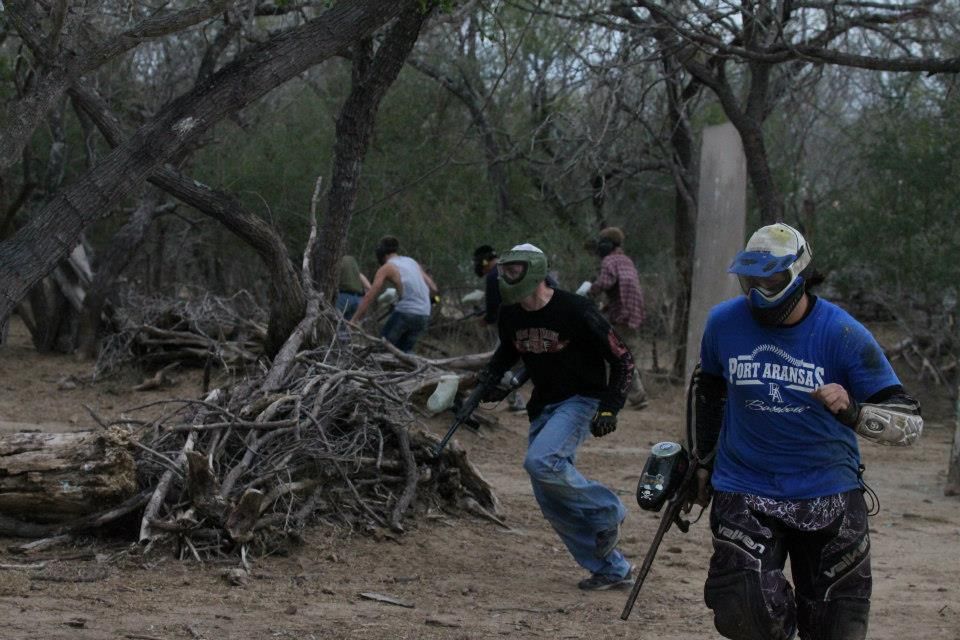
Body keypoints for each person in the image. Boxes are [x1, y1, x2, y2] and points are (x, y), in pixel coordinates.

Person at [691, 222, 923, 640]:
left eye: (772, 279)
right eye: (752, 279)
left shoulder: (842, 333)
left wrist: (854, 412)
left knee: (837, 625)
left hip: (828, 493)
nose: (760, 291)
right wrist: (701, 461)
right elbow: (708, 390)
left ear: (799, 276)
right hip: (745, 486)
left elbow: (909, 423)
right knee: (744, 611)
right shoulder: (723, 323)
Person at [478, 243, 637, 591]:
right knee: (552, 501)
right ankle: (612, 568)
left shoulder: (576, 310)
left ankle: (607, 510)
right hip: (543, 406)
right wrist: (492, 379)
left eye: (515, 270)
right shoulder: (511, 314)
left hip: (581, 400)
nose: (507, 277)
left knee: (541, 461)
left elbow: (622, 358)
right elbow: (509, 351)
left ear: (535, 271)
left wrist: (610, 407)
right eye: (505, 271)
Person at [586, 226, 649, 408]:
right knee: (624, 355)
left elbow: (606, 282)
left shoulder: (610, 261)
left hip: (622, 315)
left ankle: (620, 395)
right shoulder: (627, 261)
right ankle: (637, 396)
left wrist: (589, 291)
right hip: (634, 315)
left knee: (612, 354)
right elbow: (624, 288)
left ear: (608, 245)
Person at [352, 236, 438, 353]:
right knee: (403, 353)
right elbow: (433, 287)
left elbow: (369, 296)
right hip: (424, 314)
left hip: (406, 311)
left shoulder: (387, 267)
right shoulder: (411, 262)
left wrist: (354, 320)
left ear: (381, 254)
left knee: (382, 348)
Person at [472, 244, 526, 412]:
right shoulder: (511, 270)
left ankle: (515, 401)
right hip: (527, 322)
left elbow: (494, 310)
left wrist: (485, 319)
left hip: (511, 326)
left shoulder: (494, 275)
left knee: (500, 363)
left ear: (484, 261)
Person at [335, 254, 371, 320]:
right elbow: (368, 287)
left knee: (334, 320)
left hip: (343, 298)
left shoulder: (339, 263)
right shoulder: (356, 272)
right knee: (350, 324)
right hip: (358, 299)